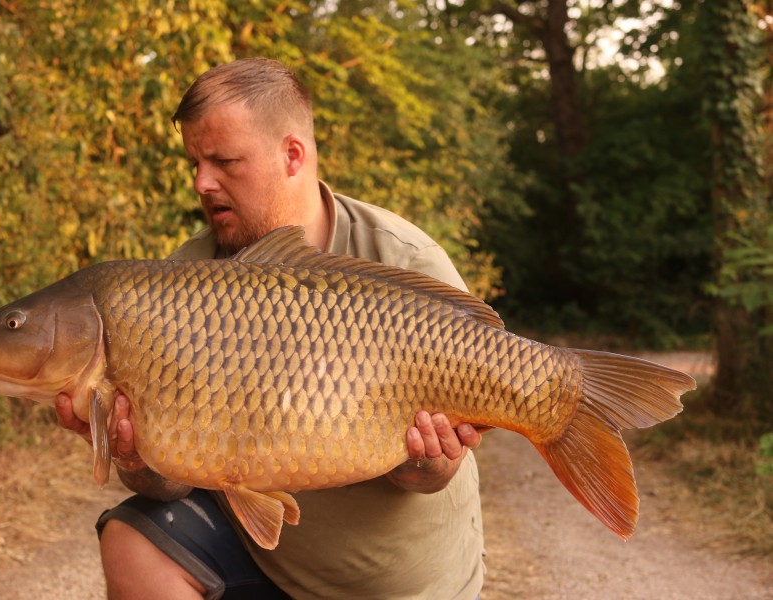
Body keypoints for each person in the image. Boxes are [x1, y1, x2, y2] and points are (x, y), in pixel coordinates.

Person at [56, 57, 486, 600]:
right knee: (133, 539)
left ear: (292, 155)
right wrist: (136, 456)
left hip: (395, 586)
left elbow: (427, 479)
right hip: (263, 562)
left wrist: (431, 460)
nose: (201, 182)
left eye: (224, 161)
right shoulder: (182, 281)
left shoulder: (407, 264)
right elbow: (171, 484)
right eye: (194, 161)